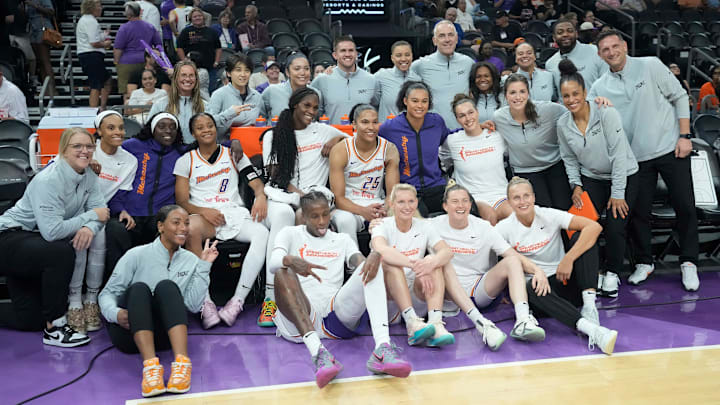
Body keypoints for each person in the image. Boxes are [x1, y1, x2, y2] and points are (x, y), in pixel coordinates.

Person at [589, 30, 699, 292]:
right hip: (635, 160)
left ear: (625, 46)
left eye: (615, 46)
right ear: (599, 54)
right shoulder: (599, 86)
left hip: (671, 148)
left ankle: (689, 262)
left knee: (685, 206)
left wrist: (685, 135)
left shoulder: (650, 65)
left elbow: (680, 97)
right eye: (605, 49)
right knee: (639, 214)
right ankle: (644, 261)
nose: (611, 52)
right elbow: (583, 113)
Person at [271, 192, 412, 388]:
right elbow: (273, 262)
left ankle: (382, 348)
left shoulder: (342, 239)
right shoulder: (289, 233)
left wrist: (371, 257)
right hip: (301, 317)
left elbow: (359, 262)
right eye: (315, 216)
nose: (322, 221)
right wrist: (290, 260)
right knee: (281, 273)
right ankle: (319, 353)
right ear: (303, 216)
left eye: (325, 215)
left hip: (334, 315)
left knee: (374, 263)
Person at [0, 127, 105, 347]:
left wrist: (89, 227)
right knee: (59, 251)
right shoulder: (48, 180)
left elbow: (102, 212)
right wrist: (90, 216)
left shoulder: (89, 176)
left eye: (88, 146)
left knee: (29, 320)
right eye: (77, 146)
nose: (84, 151)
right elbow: (53, 232)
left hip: (32, 241)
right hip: (9, 237)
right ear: (63, 150)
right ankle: (55, 328)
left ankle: (45, 320)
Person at [99, 205, 218, 397]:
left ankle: (181, 365)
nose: (184, 228)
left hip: (164, 336)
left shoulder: (191, 260)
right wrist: (116, 313)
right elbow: (107, 294)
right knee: (139, 289)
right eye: (176, 222)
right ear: (161, 226)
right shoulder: (136, 255)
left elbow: (193, 306)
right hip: (129, 333)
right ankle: (151, 369)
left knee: (167, 287)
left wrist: (204, 267)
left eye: (186, 223)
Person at [496, 177, 619, 355]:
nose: (522, 202)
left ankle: (589, 307)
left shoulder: (548, 214)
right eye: (516, 198)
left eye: (526, 196)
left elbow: (594, 227)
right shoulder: (503, 228)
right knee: (531, 287)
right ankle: (593, 331)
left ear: (534, 197)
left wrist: (568, 258)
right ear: (509, 202)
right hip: (540, 293)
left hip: (564, 278)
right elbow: (494, 259)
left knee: (582, 238)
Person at [259, 87, 346, 327]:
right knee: (285, 217)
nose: (312, 111)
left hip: (315, 197)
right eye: (307, 106)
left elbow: (355, 138)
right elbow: (275, 176)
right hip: (282, 195)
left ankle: (306, 294)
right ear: (295, 105)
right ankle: (270, 298)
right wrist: (298, 194)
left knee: (303, 215)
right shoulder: (273, 136)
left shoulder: (323, 130)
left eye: (316, 107)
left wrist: (336, 139)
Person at [174, 113, 268, 328]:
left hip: (233, 213)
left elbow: (255, 183)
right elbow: (182, 200)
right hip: (204, 216)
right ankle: (205, 302)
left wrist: (261, 196)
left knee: (262, 233)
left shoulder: (233, 154)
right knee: (191, 228)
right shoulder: (185, 161)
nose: (206, 130)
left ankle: (237, 301)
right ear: (193, 133)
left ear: (217, 129)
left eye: (210, 125)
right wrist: (203, 211)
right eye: (200, 127)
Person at [556, 59, 639, 298]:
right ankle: (591, 274)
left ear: (585, 93)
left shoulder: (606, 113)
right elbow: (568, 158)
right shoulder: (562, 123)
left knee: (614, 224)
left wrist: (617, 193)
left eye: (575, 94)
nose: (571, 100)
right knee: (585, 225)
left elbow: (620, 156)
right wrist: (577, 186)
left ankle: (612, 272)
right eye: (566, 96)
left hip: (623, 175)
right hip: (591, 177)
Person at [430, 184, 545, 347]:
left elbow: (512, 255)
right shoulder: (432, 225)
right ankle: (465, 322)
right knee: (440, 263)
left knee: (512, 262)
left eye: (465, 201)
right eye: (455, 201)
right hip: (449, 295)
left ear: (470, 205)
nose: (460, 205)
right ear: (445, 206)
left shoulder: (483, 227)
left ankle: (523, 320)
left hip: (479, 291)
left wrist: (537, 270)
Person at [370, 184, 456, 347]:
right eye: (401, 202)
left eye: (411, 201)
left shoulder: (424, 225)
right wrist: (416, 266)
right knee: (391, 264)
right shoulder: (381, 225)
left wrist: (430, 264)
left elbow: (447, 252)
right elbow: (381, 250)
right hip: (390, 304)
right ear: (392, 204)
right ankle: (411, 324)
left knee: (434, 261)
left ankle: (435, 324)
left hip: (417, 296)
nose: (407, 206)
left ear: (417, 202)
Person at [105, 113, 184, 280]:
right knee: (115, 229)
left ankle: (156, 285)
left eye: (172, 127)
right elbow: (108, 154)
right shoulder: (133, 146)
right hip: (129, 212)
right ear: (152, 129)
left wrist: (233, 142)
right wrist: (119, 209)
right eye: (162, 126)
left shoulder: (181, 152)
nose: (167, 131)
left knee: (168, 231)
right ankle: (117, 283)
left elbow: (211, 146)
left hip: (158, 215)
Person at [492, 73, 571, 210]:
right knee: (543, 213)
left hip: (553, 166)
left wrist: (597, 103)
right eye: (512, 93)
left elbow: (574, 111)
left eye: (522, 91)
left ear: (528, 93)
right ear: (505, 96)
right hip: (525, 172)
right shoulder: (499, 117)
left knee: (563, 209)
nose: (518, 97)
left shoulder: (549, 110)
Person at [329, 104, 400, 244]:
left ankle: (388, 261)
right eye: (365, 122)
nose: (371, 127)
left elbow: (392, 193)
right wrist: (362, 211)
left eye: (375, 122)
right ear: (354, 124)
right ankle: (353, 261)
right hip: (348, 205)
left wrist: (385, 208)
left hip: (377, 203)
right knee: (345, 220)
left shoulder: (389, 149)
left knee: (397, 216)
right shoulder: (341, 150)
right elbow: (338, 198)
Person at [378, 81, 449, 216]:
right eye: (415, 101)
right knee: (418, 219)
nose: (420, 106)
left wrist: (478, 127)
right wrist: (337, 137)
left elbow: (449, 135)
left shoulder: (436, 122)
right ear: (405, 101)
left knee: (466, 207)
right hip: (408, 189)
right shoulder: (391, 127)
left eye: (424, 101)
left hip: (436, 186)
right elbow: (367, 135)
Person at [441, 94, 512, 224]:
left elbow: (510, 154)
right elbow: (444, 159)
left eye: (470, 112)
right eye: (462, 116)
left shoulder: (496, 135)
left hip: (500, 193)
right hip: (475, 197)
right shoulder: (452, 141)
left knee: (514, 216)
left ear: (477, 112)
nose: (468, 118)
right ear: (457, 119)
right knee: (490, 218)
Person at [408, 20, 474, 129]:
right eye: (442, 36)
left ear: (457, 38)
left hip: (463, 131)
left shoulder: (468, 62)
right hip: (433, 131)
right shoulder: (420, 65)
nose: (447, 40)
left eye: (451, 35)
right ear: (434, 40)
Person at [310, 36, 377, 125]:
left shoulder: (371, 80)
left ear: (356, 54)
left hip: (362, 137)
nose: (347, 54)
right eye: (343, 51)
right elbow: (313, 112)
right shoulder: (322, 80)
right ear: (335, 55)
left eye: (351, 50)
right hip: (333, 137)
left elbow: (377, 109)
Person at [207, 53, 263, 141]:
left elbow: (261, 121)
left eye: (247, 70)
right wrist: (229, 114)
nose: (243, 74)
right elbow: (208, 123)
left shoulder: (257, 96)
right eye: (238, 70)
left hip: (252, 145)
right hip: (225, 147)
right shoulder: (219, 94)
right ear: (228, 73)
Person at [149, 60, 208, 143]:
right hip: (169, 152)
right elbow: (149, 131)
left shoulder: (206, 106)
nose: (187, 79)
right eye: (183, 75)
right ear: (175, 78)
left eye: (191, 75)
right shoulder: (160, 104)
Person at [545, 19, 608, 93]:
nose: (565, 34)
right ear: (554, 38)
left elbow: (607, 83)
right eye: (560, 32)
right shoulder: (550, 64)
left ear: (576, 34)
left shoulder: (595, 51)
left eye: (570, 31)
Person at [115, 2, 162, 100]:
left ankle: (129, 112)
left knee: (126, 92)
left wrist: (116, 61)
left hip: (127, 63)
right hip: (145, 61)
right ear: (140, 12)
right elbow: (158, 45)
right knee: (147, 87)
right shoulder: (150, 27)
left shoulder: (124, 28)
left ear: (128, 14)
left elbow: (118, 48)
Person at [76, 0, 112, 109]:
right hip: (91, 55)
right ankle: (94, 110)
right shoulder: (90, 21)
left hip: (89, 55)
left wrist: (103, 35)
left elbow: (93, 38)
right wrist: (105, 43)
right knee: (96, 84)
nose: (101, 8)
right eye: (99, 5)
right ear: (92, 7)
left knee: (107, 80)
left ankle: (102, 107)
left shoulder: (87, 20)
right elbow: (94, 42)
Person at [176, 8, 221, 93]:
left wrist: (216, 62)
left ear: (203, 17)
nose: (197, 18)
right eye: (195, 16)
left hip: (209, 67)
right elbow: (179, 47)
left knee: (211, 90)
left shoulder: (212, 31)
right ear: (191, 19)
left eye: (199, 16)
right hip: (191, 68)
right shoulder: (186, 31)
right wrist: (184, 60)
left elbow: (218, 48)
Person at [262, 52, 319, 119]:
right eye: (297, 69)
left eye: (306, 69)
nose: (302, 73)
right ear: (287, 72)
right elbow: (260, 118)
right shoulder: (272, 91)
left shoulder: (316, 93)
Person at [374, 41, 413, 122]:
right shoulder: (381, 76)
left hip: (410, 132)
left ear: (412, 56)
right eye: (398, 55)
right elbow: (370, 101)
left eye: (407, 55)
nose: (403, 59)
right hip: (386, 132)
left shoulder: (418, 79)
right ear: (392, 58)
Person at [26, 0, 56, 96]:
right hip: (32, 29)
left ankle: (52, 89)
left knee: (45, 60)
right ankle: (46, 88)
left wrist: (35, 6)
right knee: (40, 61)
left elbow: (51, 11)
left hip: (42, 28)